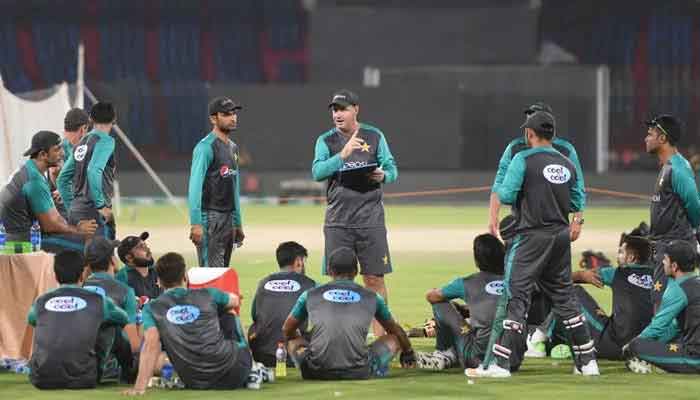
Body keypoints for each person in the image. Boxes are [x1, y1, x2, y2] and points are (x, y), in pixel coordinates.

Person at [467, 111, 598, 378]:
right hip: (560, 238)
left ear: (529, 134)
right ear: (552, 134)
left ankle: (501, 364)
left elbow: (506, 194)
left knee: (517, 295)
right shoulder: (566, 162)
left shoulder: (523, 158)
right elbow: (575, 202)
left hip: (530, 237)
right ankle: (588, 361)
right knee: (564, 296)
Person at [311, 89, 398, 336]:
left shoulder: (374, 135)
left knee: (374, 280)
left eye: (343, 109)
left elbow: (392, 168)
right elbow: (317, 172)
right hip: (338, 223)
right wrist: (343, 155)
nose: (337, 114)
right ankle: (338, 336)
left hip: (371, 221)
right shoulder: (325, 141)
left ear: (356, 109)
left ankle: (381, 340)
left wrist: (385, 175)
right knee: (338, 283)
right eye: (334, 109)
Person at [125, 252, 253, 394]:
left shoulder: (152, 308)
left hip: (194, 379)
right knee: (229, 312)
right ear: (185, 276)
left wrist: (139, 388)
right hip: (235, 371)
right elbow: (234, 300)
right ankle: (253, 365)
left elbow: (150, 344)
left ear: (159, 281)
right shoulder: (207, 294)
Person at [282, 246, 415, 380]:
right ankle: (377, 368)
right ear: (356, 271)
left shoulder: (309, 294)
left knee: (293, 340)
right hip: (359, 371)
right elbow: (395, 329)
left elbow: (287, 329)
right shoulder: (373, 297)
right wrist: (408, 352)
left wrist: (305, 342)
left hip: (315, 371)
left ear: (329, 270)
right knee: (394, 338)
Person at [527, 223, 654, 361]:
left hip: (613, 346)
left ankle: (538, 340)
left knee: (571, 292)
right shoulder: (660, 278)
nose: (617, 257)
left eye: (621, 252)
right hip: (643, 348)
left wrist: (581, 275)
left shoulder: (618, 273)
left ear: (631, 258)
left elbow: (564, 280)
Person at [416, 233, 526, 371]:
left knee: (441, 304)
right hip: (513, 361)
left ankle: (443, 354)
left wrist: (461, 310)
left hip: (477, 360)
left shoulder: (467, 283)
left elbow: (431, 297)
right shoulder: (518, 283)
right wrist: (471, 309)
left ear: (477, 260)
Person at [28, 250, 128, 389]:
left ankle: (47, 366)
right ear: (83, 274)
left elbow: (32, 320)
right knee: (113, 327)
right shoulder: (98, 300)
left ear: (56, 276)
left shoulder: (41, 300)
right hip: (84, 378)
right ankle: (128, 375)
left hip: (40, 378)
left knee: (44, 323)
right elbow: (123, 318)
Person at [489, 101, 585, 242]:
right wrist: (493, 218)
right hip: (523, 226)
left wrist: (577, 220)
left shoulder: (566, 150)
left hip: (553, 228)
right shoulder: (514, 148)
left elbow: (578, 187)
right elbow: (499, 182)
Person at [0, 130, 97, 252]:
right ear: (42, 155)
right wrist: (78, 229)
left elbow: (54, 217)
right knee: (89, 248)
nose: (62, 153)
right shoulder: (34, 180)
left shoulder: (29, 168)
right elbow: (50, 225)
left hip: (20, 235)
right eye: (57, 150)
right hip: (22, 242)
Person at [643, 114, 700, 311]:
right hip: (662, 246)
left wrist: (693, 233)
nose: (646, 138)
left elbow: (695, 205)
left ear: (663, 139)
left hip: (674, 248)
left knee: (662, 309)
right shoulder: (668, 167)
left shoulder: (677, 168)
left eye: (650, 134)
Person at [625, 240, 700, 374]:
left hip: (695, 357)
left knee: (637, 345)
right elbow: (675, 327)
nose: (663, 262)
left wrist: (632, 346)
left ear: (675, 266)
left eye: (665, 259)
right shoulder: (695, 282)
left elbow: (657, 327)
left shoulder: (679, 289)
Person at [188, 97, 245, 268]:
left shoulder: (233, 148)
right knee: (209, 275)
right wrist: (196, 223)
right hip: (209, 219)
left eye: (234, 113)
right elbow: (194, 188)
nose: (233, 117)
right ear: (213, 118)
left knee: (222, 273)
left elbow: (233, 188)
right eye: (226, 114)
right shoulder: (205, 148)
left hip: (228, 218)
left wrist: (237, 223)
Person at [248, 241, 316, 367]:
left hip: (264, 356)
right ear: (298, 261)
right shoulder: (310, 285)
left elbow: (254, 315)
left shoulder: (263, 282)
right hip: (294, 355)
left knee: (253, 327)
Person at [57, 102, 118, 239]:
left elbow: (62, 179)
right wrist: (101, 205)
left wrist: (71, 207)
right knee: (103, 258)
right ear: (114, 119)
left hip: (76, 213)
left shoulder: (82, 141)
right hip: (94, 213)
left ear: (91, 119)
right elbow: (93, 170)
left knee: (79, 258)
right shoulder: (107, 141)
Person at [83, 237, 140, 382]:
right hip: (108, 371)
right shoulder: (125, 291)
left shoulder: (78, 288)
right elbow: (132, 344)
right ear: (112, 260)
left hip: (76, 364)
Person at [47, 108, 91, 218]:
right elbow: (55, 173)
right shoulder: (85, 147)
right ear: (83, 128)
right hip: (62, 202)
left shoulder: (57, 146)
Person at [115, 232, 161, 300]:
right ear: (129, 258)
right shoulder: (122, 278)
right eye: (141, 247)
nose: (147, 249)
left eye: (145, 245)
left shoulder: (159, 271)